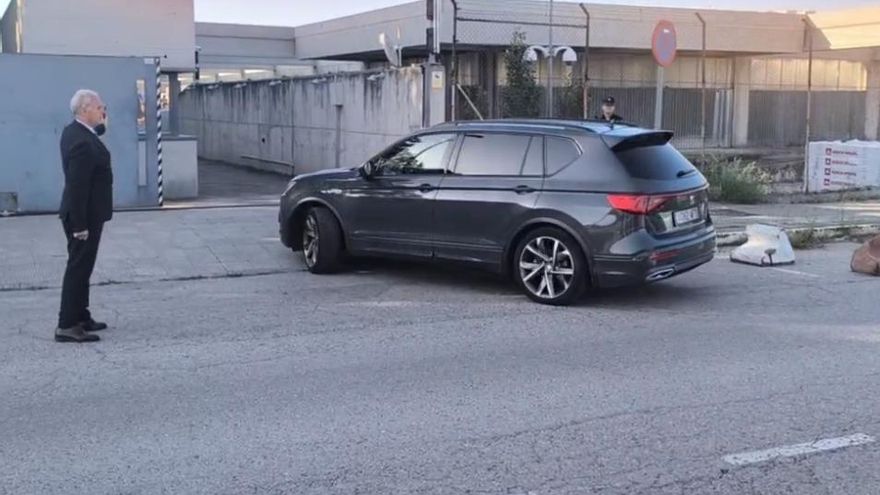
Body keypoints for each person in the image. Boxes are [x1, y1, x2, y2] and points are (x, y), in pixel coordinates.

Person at [55, 89, 113, 343]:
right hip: (83, 218)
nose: (103, 112)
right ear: (85, 109)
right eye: (100, 107)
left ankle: (81, 315)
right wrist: (79, 225)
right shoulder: (81, 141)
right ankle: (67, 325)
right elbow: (78, 186)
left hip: (88, 215)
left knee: (83, 267)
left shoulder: (77, 132)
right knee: (78, 269)